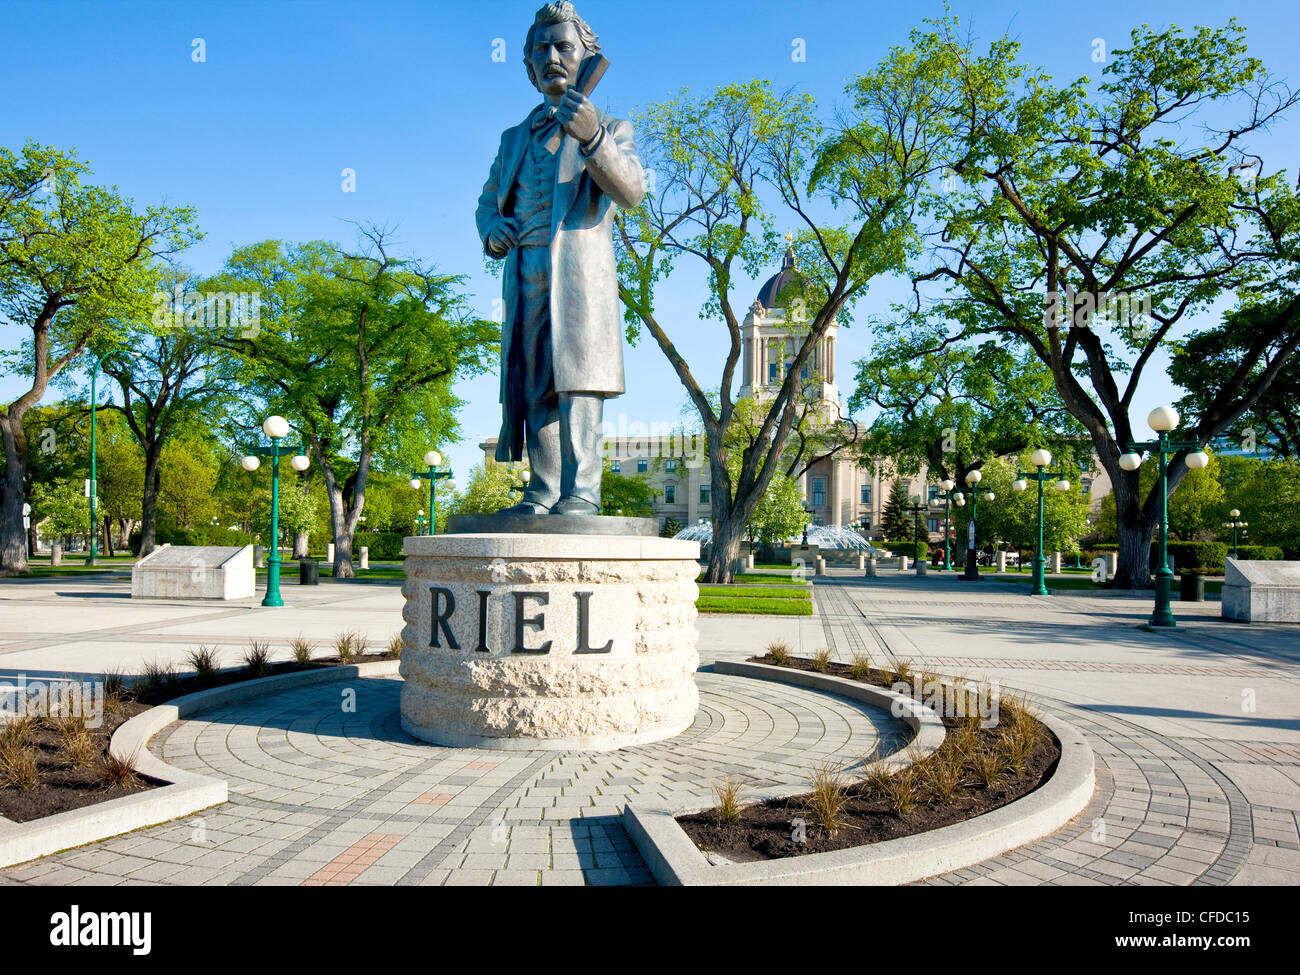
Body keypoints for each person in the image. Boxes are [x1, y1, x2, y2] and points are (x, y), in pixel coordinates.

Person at [475, 1, 646, 515]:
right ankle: (543, 491)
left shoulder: (611, 127)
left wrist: (591, 135)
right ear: (528, 65)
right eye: (541, 48)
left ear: (585, 55)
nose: (552, 56)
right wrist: (492, 228)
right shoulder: (511, 141)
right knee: (534, 382)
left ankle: (582, 493)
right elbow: (486, 202)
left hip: (577, 275)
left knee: (578, 381)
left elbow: (632, 190)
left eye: (563, 46)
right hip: (523, 273)